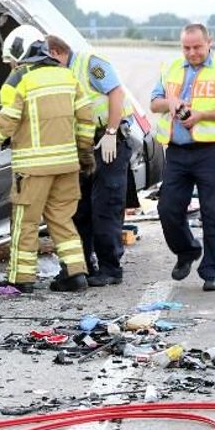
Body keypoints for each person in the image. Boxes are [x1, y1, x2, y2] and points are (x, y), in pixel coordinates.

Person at [0, 26, 95, 293]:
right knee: (62, 219)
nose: (12, 66)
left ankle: (22, 279)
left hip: (33, 169)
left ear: (22, 52)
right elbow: (87, 119)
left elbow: (6, 125)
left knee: (25, 222)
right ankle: (76, 274)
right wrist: (84, 154)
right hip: (67, 166)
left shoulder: (21, 81)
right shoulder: (67, 77)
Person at [150, 23, 215, 292]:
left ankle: (212, 271)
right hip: (178, 152)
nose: (191, 52)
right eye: (186, 47)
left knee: (214, 213)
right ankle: (188, 250)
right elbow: (154, 102)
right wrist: (170, 103)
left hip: (212, 153)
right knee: (167, 209)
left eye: (197, 47)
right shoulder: (170, 68)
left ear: (209, 43)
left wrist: (202, 115)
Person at [46, 35, 133, 287]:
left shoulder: (89, 63)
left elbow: (115, 91)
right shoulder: (63, 73)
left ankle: (110, 268)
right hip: (82, 145)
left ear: (56, 52)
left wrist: (111, 131)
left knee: (105, 205)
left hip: (108, 141)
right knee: (79, 208)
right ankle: (82, 266)